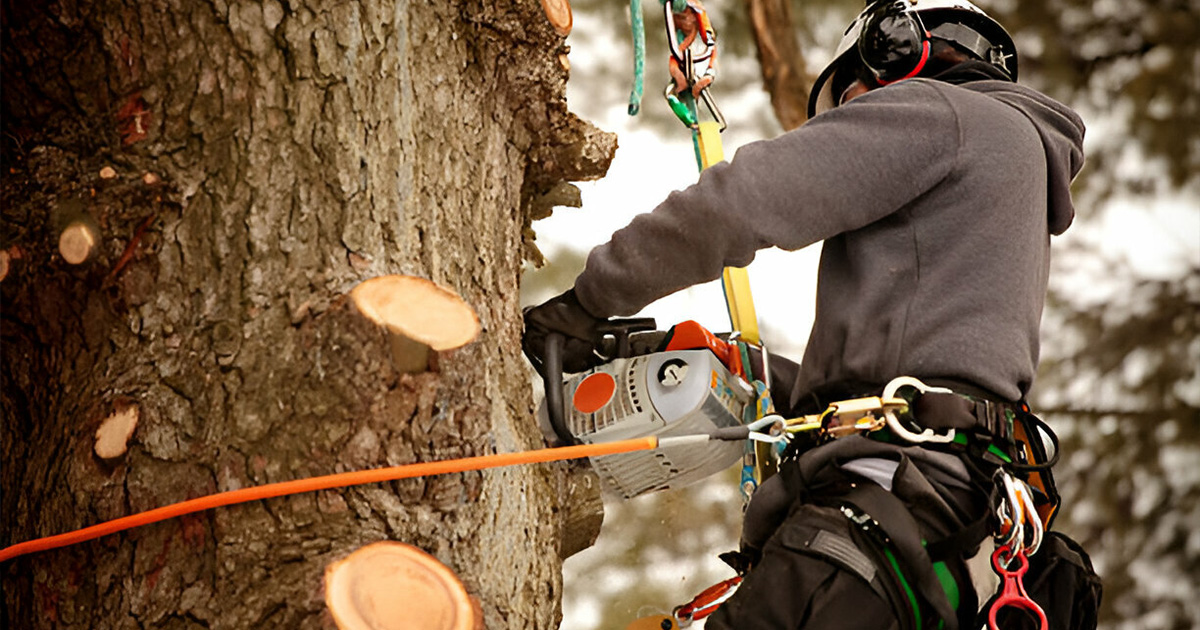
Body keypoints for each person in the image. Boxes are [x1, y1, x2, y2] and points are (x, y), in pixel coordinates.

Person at [523, 0, 1087, 628]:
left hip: (872, 523)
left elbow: (741, 205)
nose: (853, 121)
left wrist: (588, 302)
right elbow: (926, 385)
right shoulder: (1014, 166)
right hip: (948, 543)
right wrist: (749, 366)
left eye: (853, 102)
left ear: (894, 52)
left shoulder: (940, 112)